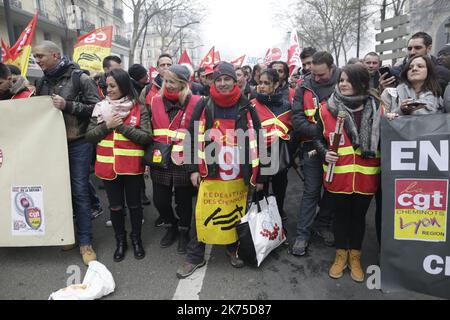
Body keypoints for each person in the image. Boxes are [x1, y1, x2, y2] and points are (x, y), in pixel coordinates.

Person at [176, 62, 263, 279]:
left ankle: (233, 249)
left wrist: (260, 175)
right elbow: (191, 137)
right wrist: (193, 169)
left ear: (236, 81)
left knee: (235, 213)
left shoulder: (248, 107)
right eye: (218, 79)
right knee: (202, 213)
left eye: (227, 79)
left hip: (238, 173)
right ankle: (195, 256)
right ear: (212, 82)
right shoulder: (204, 105)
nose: (223, 83)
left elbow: (259, 141)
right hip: (210, 171)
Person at [313, 64, 383, 283]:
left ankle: (355, 257)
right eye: (341, 80)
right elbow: (316, 138)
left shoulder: (378, 108)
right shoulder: (326, 108)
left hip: (367, 174)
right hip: (339, 175)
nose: (342, 83)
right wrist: (324, 153)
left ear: (361, 82)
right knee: (341, 218)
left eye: (347, 80)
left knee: (359, 219)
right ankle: (340, 255)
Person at [33, 40, 100, 265]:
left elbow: (97, 108)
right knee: (61, 193)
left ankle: (85, 242)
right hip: (53, 146)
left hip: (78, 143)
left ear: (55, 55)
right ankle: (68, 234)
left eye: (40, 56)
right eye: (35, 56)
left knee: (80, 191)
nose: (37, 60)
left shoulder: (80, 78)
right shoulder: (42, 81)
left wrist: (68, 105)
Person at [85, 68, 151, 262]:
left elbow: (146, 137)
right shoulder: (100, 108)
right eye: (107, 86)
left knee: (135, 206)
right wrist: (106, 126)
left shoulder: (139, 107)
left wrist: (120, 125)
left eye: (113, 86)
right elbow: (89, 136)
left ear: (123, 85)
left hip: (132, 167)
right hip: (107, 169)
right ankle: (120, 241)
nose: (108, 89)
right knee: (115, 208)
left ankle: (136, 239)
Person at [291, 51, 340, 256]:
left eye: (321, 75)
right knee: (311, 191)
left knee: (333, 190)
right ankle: (303, 235)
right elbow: (297, 118)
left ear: (332, 68)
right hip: (311, 147)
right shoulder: (304, 86)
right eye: (313, 74)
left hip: (339, 148)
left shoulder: (344, 82)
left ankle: (323, 223)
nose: (316, 78)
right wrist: (320, 133)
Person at [148, 65, 200, 254]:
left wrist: (196, 164)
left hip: (183, 159)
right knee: (160, 200)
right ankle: (171, 224)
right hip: (160, 158)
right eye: (166, 81)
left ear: (184, 84)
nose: (168, 85)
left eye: (173, 82)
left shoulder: (196, 102)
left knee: (184, 200)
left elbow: (199, 135)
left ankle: (184, 231)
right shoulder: (154, 101)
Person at [253, 69, 292, 238]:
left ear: (276, 85)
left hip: (278, 155)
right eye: (260, 82)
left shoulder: (286, 106)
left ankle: (278, 219)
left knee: (279, 189)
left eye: (266, 83)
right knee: (259, 190)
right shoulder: (252, 104)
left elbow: (293, 130)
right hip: (258, 155)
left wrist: (285, 142)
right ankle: (260, 226)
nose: (261, 86)